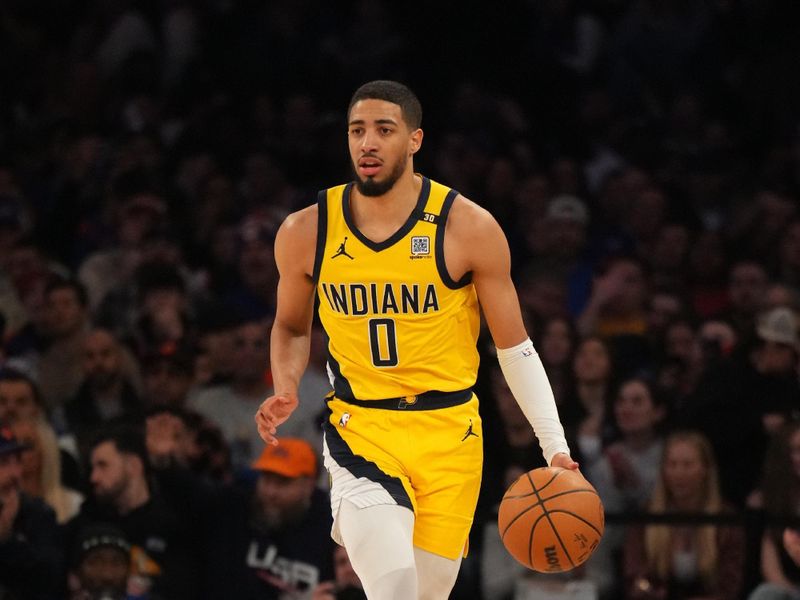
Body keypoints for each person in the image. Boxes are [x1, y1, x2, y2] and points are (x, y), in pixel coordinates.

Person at [255, 80, 577, 599]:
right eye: (357, 131)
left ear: (414, 140)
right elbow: (292, 325)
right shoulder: (305, 231)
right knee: (395, 589)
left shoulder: (468, 227)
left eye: (384, 130)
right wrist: (288, 384)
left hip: (451, 436)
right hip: (362, 429)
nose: (368, 143)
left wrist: (554, 448)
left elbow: (515, 348)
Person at [623, 430, 745, 600]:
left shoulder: (725, 519)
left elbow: (730, 588)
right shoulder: (647, 516)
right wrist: (644, 589)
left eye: (687, 465)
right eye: (672, 464)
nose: (678, 473)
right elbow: (635, 578)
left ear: (705, 469)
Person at [0, 425, 64, 600]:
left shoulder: (38, 514)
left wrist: (7, 541)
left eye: (17, 461)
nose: (15, 473)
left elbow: (50, 578)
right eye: (3, 462)